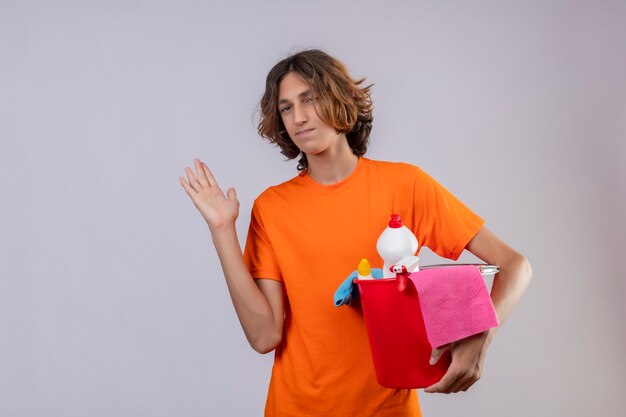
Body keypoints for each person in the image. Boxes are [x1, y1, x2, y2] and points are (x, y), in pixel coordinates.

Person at [179, 49, 532, 417]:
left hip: (389, 409)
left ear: (339, 98)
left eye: (310, 99)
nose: (298, 118)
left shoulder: (405, 185)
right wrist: (222, 231)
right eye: (286, 108)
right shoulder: (272, 208)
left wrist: (481, 336)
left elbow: (515, 265)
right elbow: (264, 336)